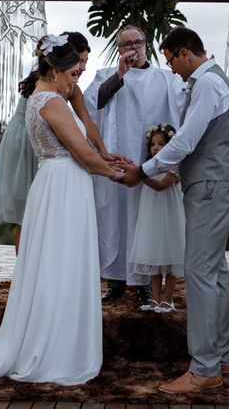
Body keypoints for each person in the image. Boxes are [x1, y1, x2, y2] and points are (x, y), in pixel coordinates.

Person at [0, 35, 124, 385]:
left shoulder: (41, 96)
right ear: (57, 71)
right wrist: (123, 176)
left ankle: (51, 339)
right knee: (63, 263)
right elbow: (83, 156)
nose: (77, 78)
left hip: (54, 182)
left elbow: (87, 145)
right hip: (63, 186)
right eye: (74, 72)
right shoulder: (53, 103)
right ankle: (56, 350)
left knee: (54, 263)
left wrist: (106, 157)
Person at [120, 27, 229, 394]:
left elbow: (187, 140)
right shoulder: (214, 81)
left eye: (171, 60)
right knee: (214, 270)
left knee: (199, 272)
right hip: (215, 184)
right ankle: (222, 358)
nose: (171, 68)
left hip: (209, 186)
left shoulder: (206, 85)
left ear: (185, 53)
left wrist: (143, 170)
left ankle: (204, 368)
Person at [0, 31, 122, 254]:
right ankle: (26, 264)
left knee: (51, 214)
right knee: (27, 214)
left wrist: (103, 151)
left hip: (54, 137)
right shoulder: (44, 86)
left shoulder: (70, 87)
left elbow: (86, 121)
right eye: (79, 61)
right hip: (26, 140)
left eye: (85, 62)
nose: (82, 68)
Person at [84, 25, 186, 303]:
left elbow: (184, 104)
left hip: (147, 166)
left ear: (146, 44)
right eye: (126, 45)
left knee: (145, 223)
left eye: (137, 42)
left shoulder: (165, 79)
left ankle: (143, 283)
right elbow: (92, 104)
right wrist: (120, 75)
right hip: (115, 163)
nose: (132, 49)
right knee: (112, 218)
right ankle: (115, 281)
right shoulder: (106, 76)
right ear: (119, 50)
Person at [128, 123, 185, 314]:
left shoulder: (174, 165)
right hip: (152, 216)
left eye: (161, 144)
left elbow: (161, 186)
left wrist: (139, 174)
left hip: (169, 216)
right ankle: (155, 300)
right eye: (153, 144)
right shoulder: (148, 167)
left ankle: (168, 300)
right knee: (153, 256)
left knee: (169, 257)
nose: (156, 148)